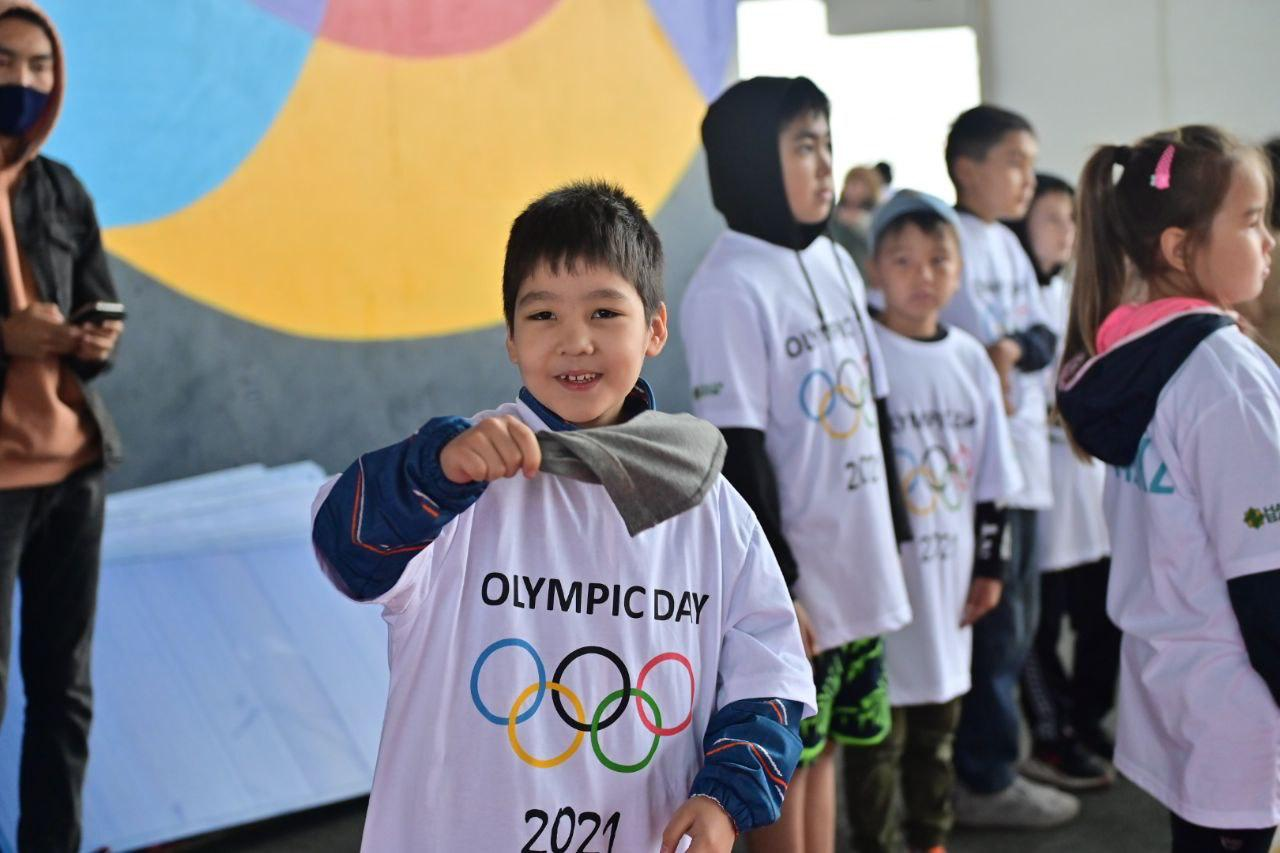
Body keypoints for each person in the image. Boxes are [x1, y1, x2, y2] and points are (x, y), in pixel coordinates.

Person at [311, 180, 815, 852]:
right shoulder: (457, 476)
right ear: (511, 339)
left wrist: (724, 797)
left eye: (605, 311)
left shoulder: (708, 503)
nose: (575, 340)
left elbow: (769, 672)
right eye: (544, 315)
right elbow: (345, 549)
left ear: (655, 327)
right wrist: (431, 471)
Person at [681, 76, 910, 853]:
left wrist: (896, 535)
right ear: (750, 161)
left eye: (827, 144)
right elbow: (735, 456)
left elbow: (876, 405)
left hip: (854, 564)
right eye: (804, 147)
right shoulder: (726, 285)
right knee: (782, 763)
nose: (825, 165)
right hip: (796, 581)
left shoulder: (835, 260)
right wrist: (780, 586)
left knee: (828, 747)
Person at [1057, 125, 1280, 853]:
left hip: (1185, 695)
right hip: (1246, 712)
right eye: (1252, 221)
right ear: (1181, 248)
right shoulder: (1222, 375)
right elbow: (1266, 582)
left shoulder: (1136, 360)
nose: (1269, 241)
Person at [842, 190, 1021, 853]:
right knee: (878, 735)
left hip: (950, 579)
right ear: (875, 270)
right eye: (903, 260)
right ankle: (876, 841)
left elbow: (995, 479)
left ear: (959, 269)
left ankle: (932, 836)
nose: (923, 275)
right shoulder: (862, 353)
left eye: (938, 260)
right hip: (883, 579)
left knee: (939, 728)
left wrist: (991, 567)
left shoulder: (970, 358)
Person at [0, 3, 125, 849]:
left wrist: (93, 340)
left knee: (63, 689)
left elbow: (97, 301)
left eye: (40, 65)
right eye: (5, 62)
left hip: (73, 470)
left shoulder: (63, 188)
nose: (24, 80)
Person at [938, 104, 1079, 826]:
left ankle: (996, 754)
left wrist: (1013, 350)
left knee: (1019, 620)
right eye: (1015, 162)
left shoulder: (1008, 244)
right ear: (968, 169)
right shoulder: (946, 241)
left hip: (1023, 460)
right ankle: (981, 778)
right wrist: (994, 354)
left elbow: (1043, 335)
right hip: (975, 471)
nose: (1028, 177)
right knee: (994, 623)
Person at [1008, 174, 1119, 788]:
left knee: (1102, 617)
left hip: (1088, 485)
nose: (1066, 231)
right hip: (1041, 485)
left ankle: (1087, 717)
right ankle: (1052, 735)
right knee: (1041, 627)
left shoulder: (1081, 294)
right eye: (1052, 218)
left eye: (1071, 219)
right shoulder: (1015, 300)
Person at [830, 165, 884, 279]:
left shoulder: (878, 215)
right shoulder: (833, 213)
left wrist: (859, 221)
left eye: (859, 184)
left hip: (864, 275)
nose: (853, 189)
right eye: (850, 183)